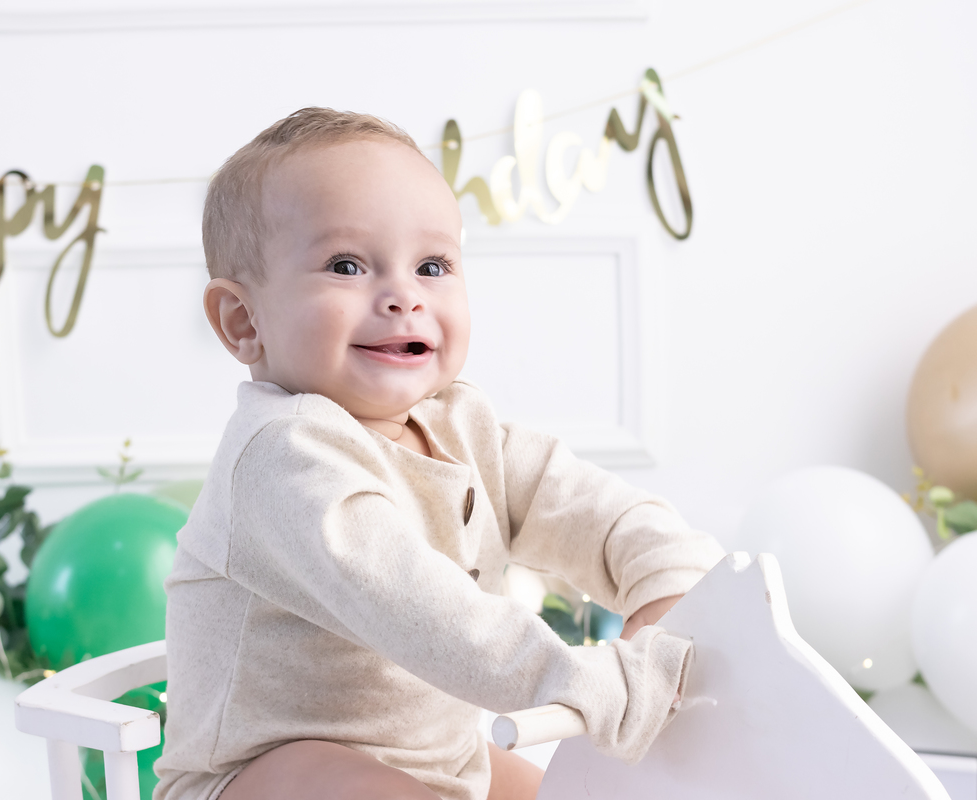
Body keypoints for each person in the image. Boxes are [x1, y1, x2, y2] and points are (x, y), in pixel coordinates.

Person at [152, 108, 725, 800]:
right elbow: (417, 605)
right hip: (254, 778)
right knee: (323, 771)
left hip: (439, 765)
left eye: (432, 266)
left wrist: (668, 576)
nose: (403, 297)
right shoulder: (282, 457)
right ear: (244, 322)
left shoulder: (460, 421)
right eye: (347, 266)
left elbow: (581, 504)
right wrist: (582, 680)